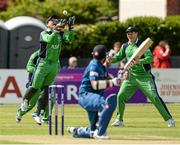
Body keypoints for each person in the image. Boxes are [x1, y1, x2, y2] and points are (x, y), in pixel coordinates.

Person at [107, 26, 175, 128]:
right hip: (131, 77)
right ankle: (119, 120)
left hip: (145, 76)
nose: (129, 35)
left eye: (131, 33)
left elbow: (150, 58)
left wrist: (140, 61)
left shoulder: (142, 45)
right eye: (128, 33)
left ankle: (169, 119)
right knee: (120, 96)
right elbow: (118, 57)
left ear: (136, 33)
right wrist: (111, 59)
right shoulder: (125, 46)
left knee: (154, 97)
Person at [16, 15, 75, 125]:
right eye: (52, 21)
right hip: (44, 63)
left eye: (56, 21)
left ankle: (38, 114)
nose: (55, 23)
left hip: (54, 64)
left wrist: (70, 28)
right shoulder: (43, 33)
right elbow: (50, 40)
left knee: (47, 90)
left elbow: (70, 39)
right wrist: (57, 30)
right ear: (48, 24)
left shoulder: (60, 34)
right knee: (35, 87)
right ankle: (25, 102)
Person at [67, 45, 128, 139]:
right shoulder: (94, 65)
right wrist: (113, 82)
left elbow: (111, 80)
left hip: (92, 98)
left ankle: (77, 131)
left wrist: (121, 79)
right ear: (104, 57)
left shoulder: (101, 67)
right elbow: (95, 85)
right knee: (105, 104)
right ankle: (101, 133)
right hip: (86, 96)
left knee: (93, 130)